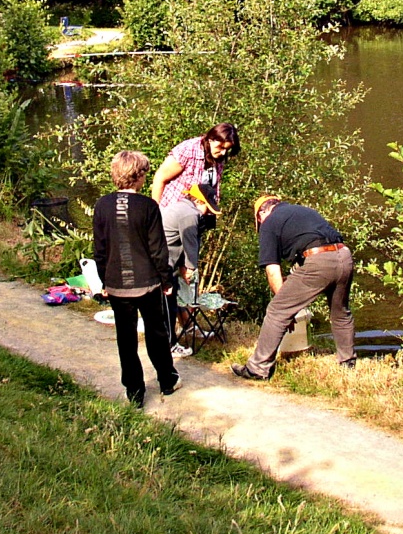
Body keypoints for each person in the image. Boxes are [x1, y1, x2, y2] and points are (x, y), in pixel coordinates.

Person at [232, 195, 356, 381]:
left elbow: (272, 270)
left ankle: (257, 368)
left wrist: (286, 310)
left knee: (276, 311)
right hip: (344, 256)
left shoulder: (269, 222)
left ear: (261, 214)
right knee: (340, 312)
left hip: (318, 260)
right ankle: (348, 364)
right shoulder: (302, 211)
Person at [93, 151, 182, 408]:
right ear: (139, 176)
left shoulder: (102, 205)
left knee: (126, 338)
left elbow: (100, 248)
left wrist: (103, 282)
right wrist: (166, 281)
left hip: (117, 285)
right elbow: (158, 249)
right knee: (156, 332)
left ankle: (135, 392)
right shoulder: (148, 206)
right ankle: (167, 381)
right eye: (144, 173)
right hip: (148, 284)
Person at [162, 182, 219, 357]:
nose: (208, 213)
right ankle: (169, 345)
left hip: (166, 260)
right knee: (168, 304)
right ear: (199, 201)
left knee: (173, 300)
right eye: (207, 208)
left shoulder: (182, 208)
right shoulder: (190, 214)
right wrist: (190, 271)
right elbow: (190, 247)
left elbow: (179, 243)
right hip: (161, 263)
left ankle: (181, 332)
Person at [151, 122, 240, 211]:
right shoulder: (188, 149)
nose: (223, 153)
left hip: (198, 218)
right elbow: (160, 178)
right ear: (210, 139)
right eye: (220, 147)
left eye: (227, 149)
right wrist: (155, 213)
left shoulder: (219, 158)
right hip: (172, 213)